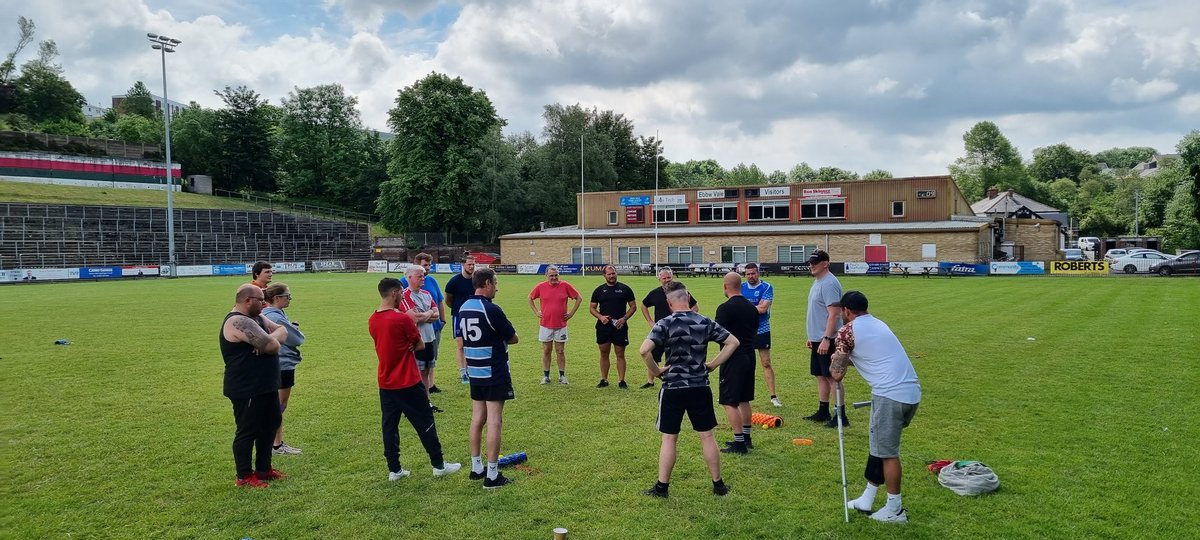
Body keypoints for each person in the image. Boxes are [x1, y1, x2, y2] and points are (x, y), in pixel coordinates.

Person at [639, 281, 738, 498]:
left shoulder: (664, 323)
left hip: (673, 387)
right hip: (699, 386)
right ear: (688, 297)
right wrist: (712, 364)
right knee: (707, 437)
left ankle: (662, 488)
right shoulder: (704, 321)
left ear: (669, 302)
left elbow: (644, 350)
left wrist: (656, 371)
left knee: (669, 438)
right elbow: (733, 342)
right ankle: (718, 484)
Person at [830, 291, 922, 523]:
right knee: (879, 447)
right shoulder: (878, 323)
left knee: (888, 453)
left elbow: (836, 374)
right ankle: (867, 498)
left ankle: (895, 509)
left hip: (890, 394)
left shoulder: (847, 330)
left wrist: (836, 360)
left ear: (847, 311)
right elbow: (869, 355)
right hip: (909, 392)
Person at [369, 278, 461, 481]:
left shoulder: (373, 319)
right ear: (393, 293)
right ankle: (438, 465)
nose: (403, 296)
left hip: (385, 382)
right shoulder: (401, 319)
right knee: (425, 421)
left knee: (389, 426)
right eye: (401, 292)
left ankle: (394, 470)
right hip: (408, 381)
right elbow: (419, 345)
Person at [221, 284, 291, 488]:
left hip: (266, 384)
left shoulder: (257, 317)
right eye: (260, 299)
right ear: (247, 300)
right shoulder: (238, 321)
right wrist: (270, 341)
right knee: (248, 430)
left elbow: (282, 331)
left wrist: (270, 339)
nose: (264, 303)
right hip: (247, 386)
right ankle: (244, 476)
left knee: (270, 424)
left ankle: (264, 469)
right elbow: (272, 345)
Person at [459, 268, 520, 489]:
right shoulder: (491, 309)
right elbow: (513, 338)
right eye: (495, 282)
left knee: (478, 418)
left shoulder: (464, 306)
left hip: (474, 370)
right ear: (486, 283)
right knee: (495, 420)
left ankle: (476, 467)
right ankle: (492, 475)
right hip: (493, 370)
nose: (497, 287)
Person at [715, 272, 760, 455]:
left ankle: (739, 442)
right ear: (740, 286)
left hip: (733, 358)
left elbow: (718, 334)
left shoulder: (725, 308)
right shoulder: (752, 308)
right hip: (750, 355)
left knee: (729, 401)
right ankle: (747, 437)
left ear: (725, 287)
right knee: (744, 398)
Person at [804, 249, 848, 427]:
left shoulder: (829, 283)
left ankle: (840, 416)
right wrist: (812, 336)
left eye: (815, 262)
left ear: (826, 263)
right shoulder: (818, 281)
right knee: (820, 375)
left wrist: (827, 338)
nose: (811, 265)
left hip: (827, 338)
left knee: (832, 377)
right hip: (817, 338)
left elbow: (834, 314)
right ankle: (823, 410)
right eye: (810, 262)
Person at [263, 283, 306, 456]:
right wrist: (295, 331)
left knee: (275, 404)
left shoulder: (266, 314)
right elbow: (296, 339)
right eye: (287, 296)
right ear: (276, 298)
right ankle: (276, 444)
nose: (289, 299)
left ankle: (274, 443)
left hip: (273, 363)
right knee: (279, 405)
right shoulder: (276, 317)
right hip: (283, 363)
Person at [639, 267, 697, 389]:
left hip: (679, 329)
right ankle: (650, 381)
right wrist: (650, 321)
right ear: (659, 279)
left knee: (677, 354)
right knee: (654, 355)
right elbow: (643, 305)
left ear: (672, 277)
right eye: (664, 278)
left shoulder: (680, 292)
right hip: (660, 330)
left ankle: (677, 378)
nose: (667, 280)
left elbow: (696, 307)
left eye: (668, 277)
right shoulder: (654, 293)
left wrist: (686, 318)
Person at [527, 265, 582, 385]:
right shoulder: (541, 287)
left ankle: (562, 375)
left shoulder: (565, 285)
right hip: (545, 324)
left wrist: (571, 313)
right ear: (546, 276)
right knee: (547, 350)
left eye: (556, 275)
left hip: (561, 325)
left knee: (560, 351)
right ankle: (546, 376)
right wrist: (536, 312)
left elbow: (578, 298)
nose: (554, 277)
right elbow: (530, 298)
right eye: (551, 275)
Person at [400, 265, 443, 412]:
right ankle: (413, 404)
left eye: (423, 275)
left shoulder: (426, 294)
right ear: (410, 278)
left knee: (425, 371)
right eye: (419, 276)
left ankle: (426, 402)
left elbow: (436, 314)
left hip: (429, 338)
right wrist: (429, 313)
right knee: (415, 373)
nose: (423, 278)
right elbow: (415, 317)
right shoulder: (405, 296)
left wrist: (427, 313)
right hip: (416, 340)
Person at [589, 265, 637, 389]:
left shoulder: (625, 289)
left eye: (613, 273)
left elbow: (633, 306)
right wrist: (601, 317)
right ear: (604, 275)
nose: (611, 276)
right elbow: (592, 308)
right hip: (603, 327)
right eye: (609, 274)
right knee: (604, 353)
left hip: (619, 327)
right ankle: (604, 379)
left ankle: (622, 381)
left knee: (620, 354)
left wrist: (624, 319)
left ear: (616, 273)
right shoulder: (599, 290)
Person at [741, 263, 780, 407]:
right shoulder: (741, 287)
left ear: (758, 273)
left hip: (762, 329)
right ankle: (740, 394)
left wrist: (743, 307)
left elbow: (763, 309)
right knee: (743, 363)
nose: (751, 276)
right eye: (748, 274)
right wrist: (753, 307)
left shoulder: (767, 287)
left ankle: (773, 396)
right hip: (744, 331)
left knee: (766, 363)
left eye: (753, 273)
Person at [444, 256, 477, 385]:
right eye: (469, 264)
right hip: (458, 316)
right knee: (461, 345)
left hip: (474, 316)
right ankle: (463, 372)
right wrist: (457, 309)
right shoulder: (454, 281)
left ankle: (471, 371)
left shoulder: (476, 280)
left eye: (473, 265)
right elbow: (448, 299)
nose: (472, 267)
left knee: (471, 344)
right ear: (463, 265)